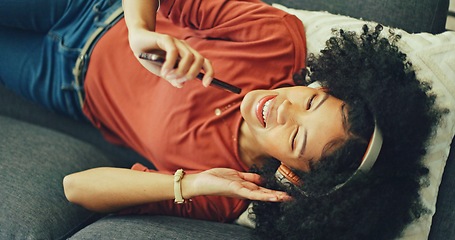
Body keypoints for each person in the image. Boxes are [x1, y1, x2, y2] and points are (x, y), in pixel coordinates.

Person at [0, 0, 442, 239]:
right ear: (322, 87)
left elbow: (76, 187)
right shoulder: (275, 40)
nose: (283, 110)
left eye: (296, 139)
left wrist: (189, 184)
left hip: (59, 84)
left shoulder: (224, 191)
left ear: (291, 173)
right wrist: (140, 31)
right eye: (309, 103)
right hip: (91, 8)